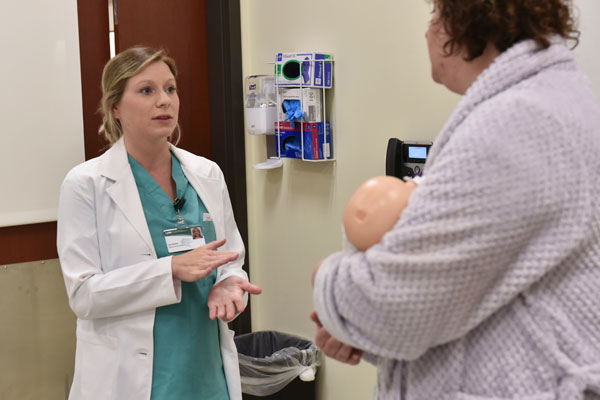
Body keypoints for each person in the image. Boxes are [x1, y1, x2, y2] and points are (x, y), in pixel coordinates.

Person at [311, 0, 600, 399]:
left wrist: (327, 278)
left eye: (436, 15)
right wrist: (371, 338)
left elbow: (396, 303)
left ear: (468, 21)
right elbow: (480, 301)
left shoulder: (517, 122)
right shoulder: (551, 103)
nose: (428, 31)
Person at [57, 46, 261, 400]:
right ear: (115, 107)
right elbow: (84, 295)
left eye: (170, 89)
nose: (164, 100)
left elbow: (230, 258)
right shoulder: (86, 184)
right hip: (131, 377)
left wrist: (229, 283)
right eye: (146, 90)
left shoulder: (207, 173)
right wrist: (170, 270)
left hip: (204, 368)